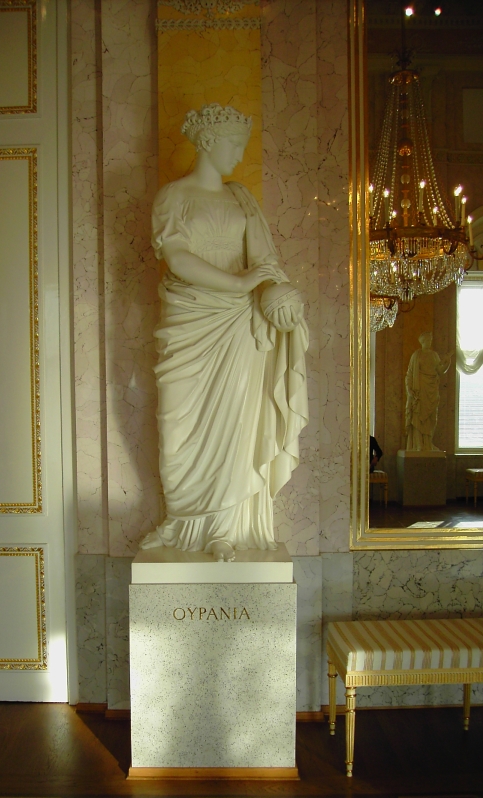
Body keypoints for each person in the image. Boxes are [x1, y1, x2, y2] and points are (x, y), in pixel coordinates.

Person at [141, 104, 308, 562]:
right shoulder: (173, 196)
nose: (239, 155)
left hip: (238, 328)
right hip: (189, 322)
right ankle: (181, 521)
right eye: (234, 144)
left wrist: (280, 300)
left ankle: (223, 530)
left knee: (235, 427)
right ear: (209, 142)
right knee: (176, 425)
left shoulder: (241, 200)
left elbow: (265, 265)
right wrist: (238, 284)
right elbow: (177, 258)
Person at [405, 331, 452, 452]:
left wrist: (448, 361)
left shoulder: (434, 355)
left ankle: (428, 443)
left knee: (431, 418)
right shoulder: (416, 355)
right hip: (419, 390)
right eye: (427, 340)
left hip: (432, 390)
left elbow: (440, 371)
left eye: (430, 340)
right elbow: (409, 374)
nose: (429, 342)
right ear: (422, 342)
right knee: (418, 416)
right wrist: (409, 389)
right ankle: (419, 444)